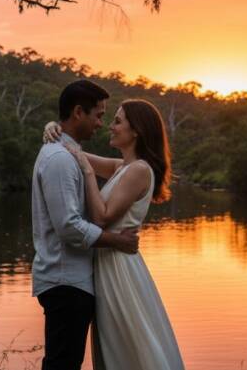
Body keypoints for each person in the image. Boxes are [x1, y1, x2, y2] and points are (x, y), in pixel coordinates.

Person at [43, 98, 185, 370]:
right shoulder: (123, 167)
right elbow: (76, 152)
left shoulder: (140, 170)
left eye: (118, 121)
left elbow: (102, 217)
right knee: (116, 345)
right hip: (108, 264)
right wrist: (55, 129)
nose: (110, 126)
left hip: (120, 270)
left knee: (128, 345)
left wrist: (86, 173)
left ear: (136, 132)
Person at [31, 80, 140, 370]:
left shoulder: (68, 155)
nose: (101, 123)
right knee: (62, 364)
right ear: (78, 112)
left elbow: (125, 168)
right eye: (99, 115)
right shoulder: (59, 160)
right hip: (65, 279)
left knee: (64, 362)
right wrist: (117, 240)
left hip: (72, 280)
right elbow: (68, 227)